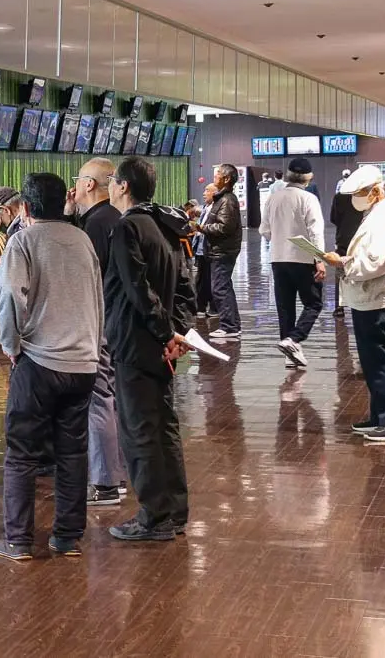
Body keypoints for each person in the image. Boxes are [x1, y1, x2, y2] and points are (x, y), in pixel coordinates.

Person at [0, 172, 102, 561]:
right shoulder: (83, 240)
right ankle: (68, 537)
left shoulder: (23, 241)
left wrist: (10, 345)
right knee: (72, 453)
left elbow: (8, 296)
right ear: (65, 202)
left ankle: (18, 541)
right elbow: (97, 299)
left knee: (21, 453)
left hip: (38, 361)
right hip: (83, 363)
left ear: (25, 208)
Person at [104, 157, 194, 542]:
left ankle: (153, 517)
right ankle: (174, 510)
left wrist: (163, 333)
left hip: (136, 344)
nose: (109, 187)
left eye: (112, 181)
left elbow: (138, 289)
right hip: (163, 348)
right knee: (164, 427)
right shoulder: (168, 224)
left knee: (139, 431)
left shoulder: (128, 228)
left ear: (124, 187)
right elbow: (188, 289)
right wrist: (178, 333)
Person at [324, 166, 385, 441]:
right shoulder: (375, 214)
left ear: (375, 190)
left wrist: (344, 264)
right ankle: (380, 417)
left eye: (359, 193)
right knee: (372, 361)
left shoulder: (383, 218)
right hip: (367, 298)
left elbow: (377, 261)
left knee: (381, 360)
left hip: (376, 299)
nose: (355, 200)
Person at [63, 158, 126, 507]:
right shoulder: (112, 220)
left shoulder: (96, 225)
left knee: (98, 400)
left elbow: (86, 276)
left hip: (97, 323)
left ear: (89, 185)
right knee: (114, 399)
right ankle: (117, 474)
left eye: (78, 179)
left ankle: (105, 482)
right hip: (116, 321)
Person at [260, 158, 326, 369]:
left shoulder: (273, 198)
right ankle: (294, 339)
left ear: (288, 175)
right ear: (309, 177)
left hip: (278, 259)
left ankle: (289, 355)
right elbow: (315, 232)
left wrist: (279, 239)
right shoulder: (309, 199)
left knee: (285, 307)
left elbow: (264, 231)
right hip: (304, 259)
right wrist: (320, 260)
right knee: (314, 303)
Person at [195, 163, 243, 340]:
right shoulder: (222, 198)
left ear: (227, 179)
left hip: (223, 251)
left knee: (220, 288)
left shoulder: (227, 200)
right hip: (219, 250)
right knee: (224, 287)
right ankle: (232, 324)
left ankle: (229, 327)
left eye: (218, 175)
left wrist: (202, 228)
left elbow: (225, 227)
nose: (214, 178)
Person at [330, 181, 364, 317]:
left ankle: (339, 307)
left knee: (340, 272)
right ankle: (360, 304)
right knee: (361, 271)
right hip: (361, 238)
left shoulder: (339, 197)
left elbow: (333, 219)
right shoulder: (363, 198)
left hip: (343, 239)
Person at [193, 184, 218, 319]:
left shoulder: (217, 208)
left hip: (210, 250)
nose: (204, 193)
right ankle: (200, 306)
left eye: (207, 191)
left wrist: (202, 228)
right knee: (200, 280)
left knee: (211, 280)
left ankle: (214, 307)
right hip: (201, 249)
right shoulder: (206, 208)